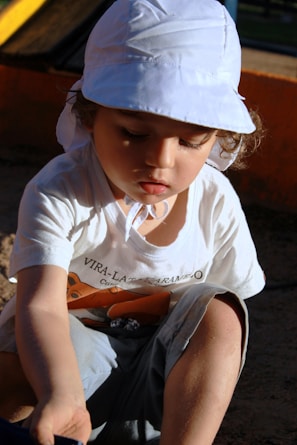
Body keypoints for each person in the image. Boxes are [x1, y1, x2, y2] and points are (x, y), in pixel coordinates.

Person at [0, 0, 265, 444]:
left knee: (221, 311)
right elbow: (41, 305)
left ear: (218, 138)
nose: (160, 161)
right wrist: (60, 392)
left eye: (190, 140)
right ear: (90, 114)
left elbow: (220, 332)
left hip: (157, 392)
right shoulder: (61, 190)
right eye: (134, 133)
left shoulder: (215, 202)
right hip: (64, 380)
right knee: (15, 359)